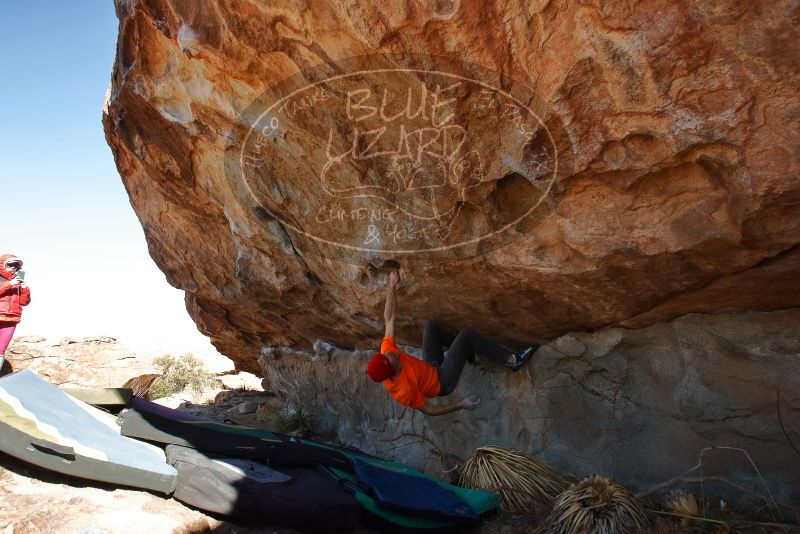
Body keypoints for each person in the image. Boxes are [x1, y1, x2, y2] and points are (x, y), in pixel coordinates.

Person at [366, 269, 537, 415]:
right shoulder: (404, 391)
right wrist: (460, 405)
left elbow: (389, 319)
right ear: (391, 371)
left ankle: (468, 354)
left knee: (431, 326)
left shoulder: (387, 353)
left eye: (386, 354)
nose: (390, 353)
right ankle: (513, 361)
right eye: (389, 358)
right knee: (466, 336)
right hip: (443, 381)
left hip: (430, 367)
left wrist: (392, 286)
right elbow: (428, 410)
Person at [0, 254, 31, 372]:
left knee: (1, 350)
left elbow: (24, 302)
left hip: (11, 319)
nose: (13, 268)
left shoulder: (18, 282)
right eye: (10, 265)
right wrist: (9, 284)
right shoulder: (9, 282)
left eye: (16, 266)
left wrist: (24, 288)